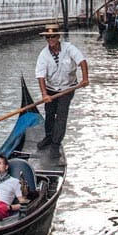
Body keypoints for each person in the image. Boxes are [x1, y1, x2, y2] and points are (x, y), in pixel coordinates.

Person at [35, 24, 89, 158]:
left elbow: (82, 61)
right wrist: (44, 94)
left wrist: (85, 79)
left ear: (58, 37)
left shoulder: (69, 49)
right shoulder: (43, 55)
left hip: (68, 88)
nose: (51, 39)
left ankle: (55, 145)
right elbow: (40, 76)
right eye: (48, 37)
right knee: (49, 113)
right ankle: (48, 137)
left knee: (61, 115)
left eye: (53, 36)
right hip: (51, 88)